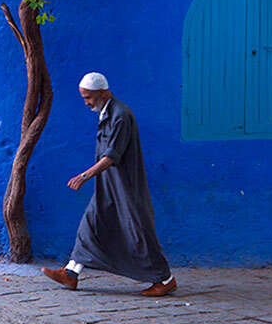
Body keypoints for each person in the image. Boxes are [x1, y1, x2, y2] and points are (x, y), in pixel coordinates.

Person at [41, 72, 177, 297]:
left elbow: (112, 156)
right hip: (108, 185)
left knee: (138, 230)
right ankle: (71, 273)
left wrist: (84, 176)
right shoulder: (106, 112)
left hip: (125, 186)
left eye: (89, 98)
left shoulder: (121, 115)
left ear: (103, 93)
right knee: (91, 223)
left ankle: (165, 279)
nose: (86, 103)